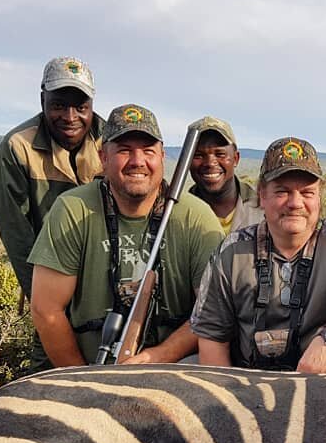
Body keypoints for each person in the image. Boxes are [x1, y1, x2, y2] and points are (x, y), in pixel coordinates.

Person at [29, 104, 223, 366]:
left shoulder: (196, 216)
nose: (137, 161)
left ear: (162, 156)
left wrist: (157, 356)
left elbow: (212, 312)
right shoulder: (71, 210)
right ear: (103, 157)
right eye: (124, 150)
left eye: (148, 151)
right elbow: (46, 310)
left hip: (173, 370)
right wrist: (82, 384)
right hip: (89, 368)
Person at [192, 137, 326, 373]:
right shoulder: (231, 250)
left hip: (319, 374)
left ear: (319, 195)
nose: (295, 203)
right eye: (282, 191)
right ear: (262, 194)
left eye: (307, 192)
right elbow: (212, 339)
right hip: (248, 380)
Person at [0, 56, 104, 370]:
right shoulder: (17, 148)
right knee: (50, 374)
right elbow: (17, 236)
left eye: (80, 106)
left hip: (107, 286)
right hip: (50, 284)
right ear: (42, 100)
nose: (70, 116)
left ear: (92, 104)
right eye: (58, 105)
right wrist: (46, 306)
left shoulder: (110, 140)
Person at [187, 115, 263, 233]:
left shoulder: (263, 205)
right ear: (186, 161)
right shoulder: (178, 212)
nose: (210, 163)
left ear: (236, 158)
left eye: (220, 154)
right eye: (198, 155)